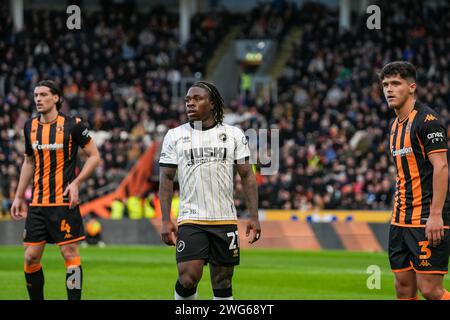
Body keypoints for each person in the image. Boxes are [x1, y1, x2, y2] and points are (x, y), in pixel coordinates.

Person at [159, 81, 261, 300]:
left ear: (212, 103)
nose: (190, 103)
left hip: (224, 218)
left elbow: (247, 176)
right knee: (188, 278)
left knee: (222, 281)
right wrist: (165, 219)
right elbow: (166, 179)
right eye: (188, 100)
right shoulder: (174, 136)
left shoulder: (234, 134)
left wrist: (254, 216)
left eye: (197, 99)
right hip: (191, 218)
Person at [10, 80, 101, 300]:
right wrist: (18, 196)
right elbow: (29, 162)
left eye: (43, 95)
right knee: (31, 257)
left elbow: (94, 156)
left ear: (56, 98)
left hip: (63, 202)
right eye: (35, 95)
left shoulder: (74, 125)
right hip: (38, 204)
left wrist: (77, 183)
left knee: (69, 253)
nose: (38, 99)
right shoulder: (29, 127)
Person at [381, 61, 450, 300]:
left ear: (411, 87)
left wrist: (436, 215)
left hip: (426, 219)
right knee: (403, 288)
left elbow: (441, 167)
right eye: (385, 84)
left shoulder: (427, 121)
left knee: (430, 290)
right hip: (400, 220)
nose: (389, 89)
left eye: (395, 84)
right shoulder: (394, 127)